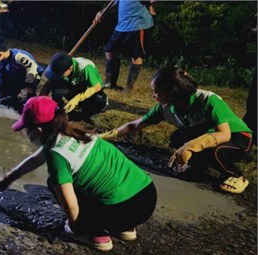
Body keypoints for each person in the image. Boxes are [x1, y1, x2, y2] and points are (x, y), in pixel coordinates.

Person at [0, 96, 157, 252]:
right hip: (148, 196)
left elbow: (70, 207)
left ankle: (94, 234)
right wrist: (9, 178)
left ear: (37, 131)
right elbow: (37, 157)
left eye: (26, 128)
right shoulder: (77, 132)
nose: (25, 133)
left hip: (124, 211)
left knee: (53, 184)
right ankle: (126, 228)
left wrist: (76, 225)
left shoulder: (56, 157)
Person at [99, 66, 253, 194]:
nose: (153, 96)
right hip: (208, 134)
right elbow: (136, 125)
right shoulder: (166, 108)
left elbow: (224, 134)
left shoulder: (208, 100)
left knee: (215, 152)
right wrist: (107, 135)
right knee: (177, 138)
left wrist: (190, 146)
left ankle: (237, 175)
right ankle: (199, 165)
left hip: (237, 137)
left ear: (172, 93)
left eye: (157, 92)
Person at [93, 0, 155, 93]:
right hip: (122, 25)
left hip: (137, 25)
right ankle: (109, 82)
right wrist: (102, 12)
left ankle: (129, 87)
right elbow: (114, 3)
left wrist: (150, 4)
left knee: (136, 56)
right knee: (109, 51)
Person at [40, 52, 107, 123]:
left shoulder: (85, 67)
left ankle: (84, 116)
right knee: (57, 83)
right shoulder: (60, 65)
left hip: (86, 91)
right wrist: (39, 102)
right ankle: (60, 111)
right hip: (71, 88)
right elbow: (47, 85)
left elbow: (97, 87)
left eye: (60, 74)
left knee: (99, 100)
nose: (57, 75)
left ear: (70, 68)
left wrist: (78, 98)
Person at [0, 36, 43, 110]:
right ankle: (11, 95)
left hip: (29, 79)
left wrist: (28, 86)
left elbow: (32, 67)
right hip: (16, 78)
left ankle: (29, 99)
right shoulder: (2, 59)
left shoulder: (18, 56)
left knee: (26, 101)